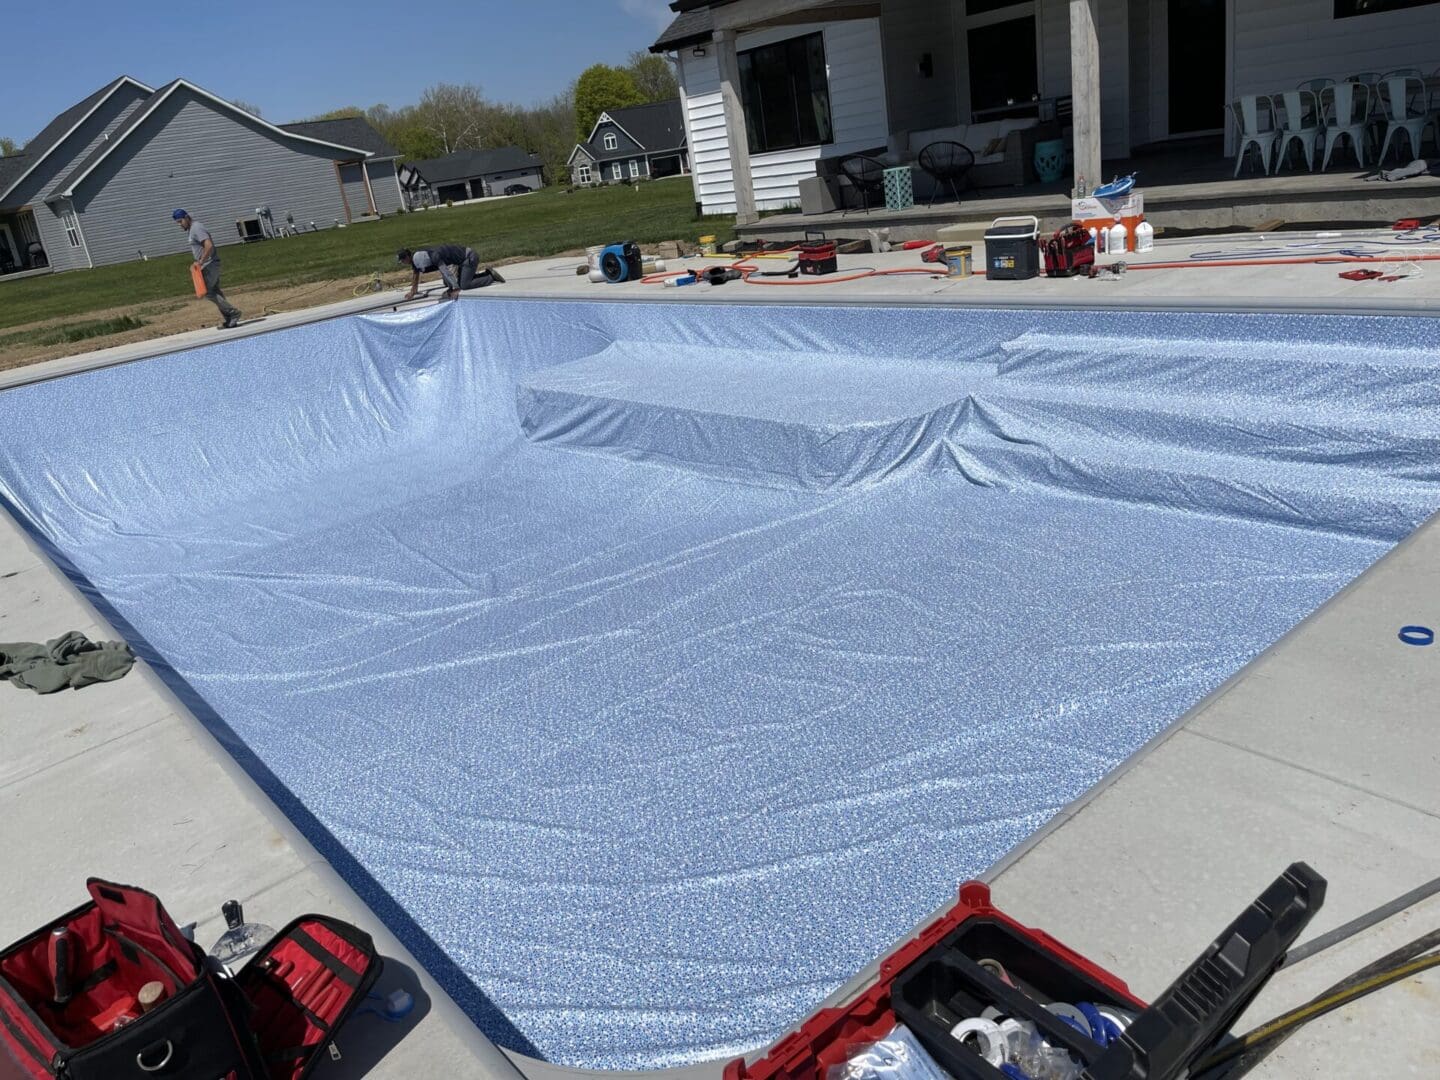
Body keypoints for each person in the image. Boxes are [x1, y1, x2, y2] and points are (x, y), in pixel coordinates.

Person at [173, 209, 242, 328]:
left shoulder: (197, 228)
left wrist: (201, 262)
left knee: (209, 292)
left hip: (209, 264)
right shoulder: (191, 230)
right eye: (177, 223)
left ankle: (233, 313)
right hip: (206, 265)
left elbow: (208, 245)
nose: (180, 224)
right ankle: (230, 319)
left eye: (181, 221)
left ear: (187, 217)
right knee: (215, 291)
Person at [398, 244, 504, 301]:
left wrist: (456, 288)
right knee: (447, 282)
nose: (403, 263)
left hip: (469, 258)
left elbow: (446, 271)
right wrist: (413, 291)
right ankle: (485, 273)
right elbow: (416, 274)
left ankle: (491, 277)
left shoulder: (434, 257)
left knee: (464, 285)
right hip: (462, 262)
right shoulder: (420, 257)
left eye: (402, 260)